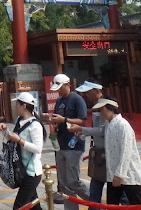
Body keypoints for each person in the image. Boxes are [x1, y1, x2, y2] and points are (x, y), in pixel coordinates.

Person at [44, 74, 89, 210]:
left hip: (74, 145)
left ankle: (94, 201)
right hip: (61, 143)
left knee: (73, 181)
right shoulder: (59, 101)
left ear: (67, 85)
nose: (59, 91)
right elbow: (59, 118)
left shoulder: (77, 100)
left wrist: (64, 120)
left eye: (60, 88)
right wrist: (52, 119)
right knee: (63, 183)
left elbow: (83, 121)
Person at [0, 92, 46, 210]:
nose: (16, 107)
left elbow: (38, 148)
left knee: (19, 206)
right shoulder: (19, 120)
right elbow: (12, 138)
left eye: (17, 104)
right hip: (22, 171)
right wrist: (5, 131)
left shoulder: (35, 125)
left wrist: (20, 141)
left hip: (32, 172)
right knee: (34, 205)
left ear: (24, 106)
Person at [72, 81, 106, 210]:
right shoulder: (96, 107)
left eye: (88, 93)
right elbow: (96, 130)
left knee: (118, 191)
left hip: (107, 154)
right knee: (95, 190)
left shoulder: (104, 106)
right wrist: (82, 133)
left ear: (97, 91)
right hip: (99, 154)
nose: (86, 96)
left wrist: (82, 130)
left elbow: (102, 130)